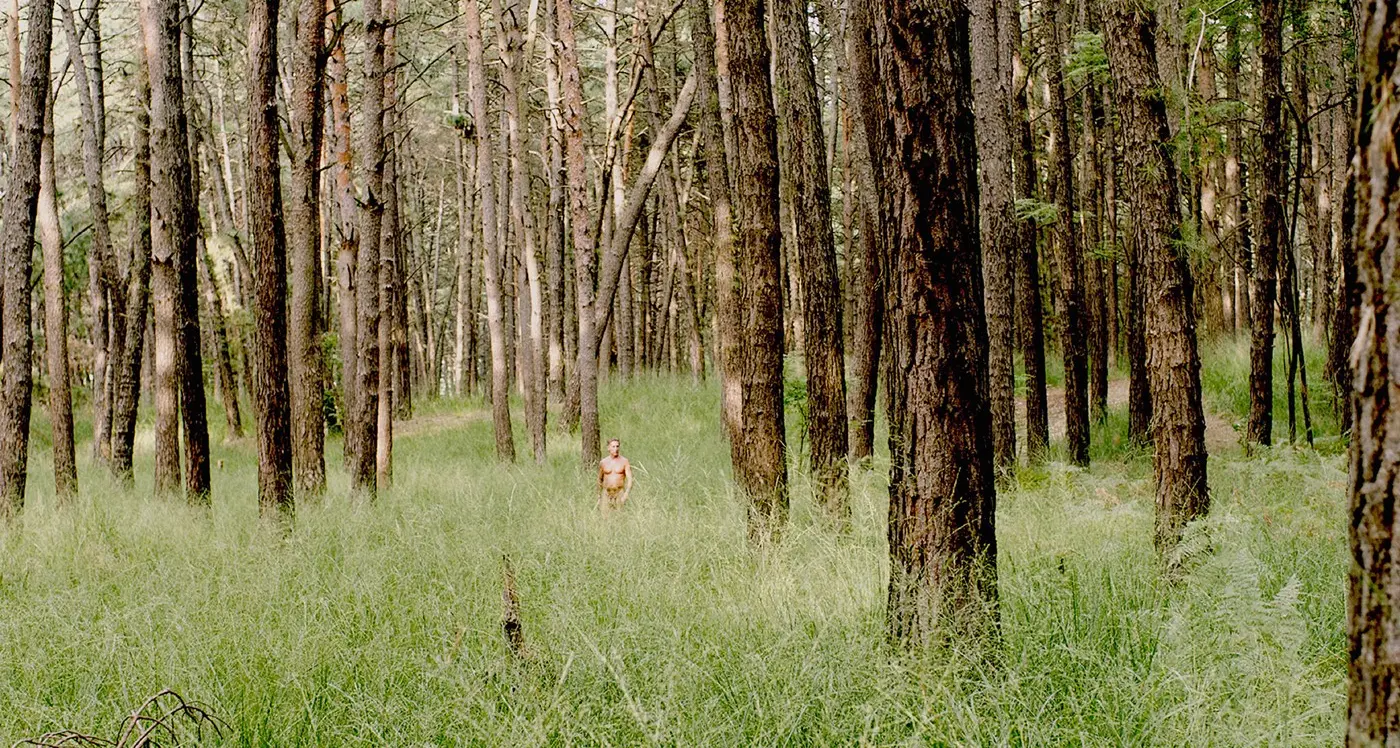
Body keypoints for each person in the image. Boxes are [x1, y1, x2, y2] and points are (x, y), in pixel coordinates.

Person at [598, 438, 633, 511]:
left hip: (619, 492)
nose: (616, 449)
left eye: (617, 446)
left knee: (619, 516)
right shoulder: (603, 462)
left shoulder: (624, 461)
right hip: (606, 493)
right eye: (613, 446)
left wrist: (626, 494)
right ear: (608, 448)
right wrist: (599, 496)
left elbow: (630, 479)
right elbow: (599, 479)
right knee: (605, 517)